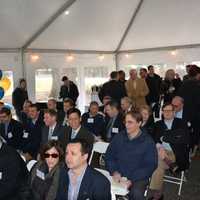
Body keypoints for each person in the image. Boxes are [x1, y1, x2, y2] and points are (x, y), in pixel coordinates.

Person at [105, 111, 157, 200]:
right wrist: (114, 171)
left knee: (136, 194)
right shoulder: (119, 137)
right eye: (125, 122)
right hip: (118, 173)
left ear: (139, 123)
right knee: (100, 186)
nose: (126, 125)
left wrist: (131, 179)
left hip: (138, 177)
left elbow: (150, 165)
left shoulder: (148, 141)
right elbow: (109, 156)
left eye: (130, 122)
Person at [149, 103, 189, 200]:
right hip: (160, 152)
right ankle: (169, 163)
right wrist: (159, 146)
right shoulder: (157, 124)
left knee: (157, 163)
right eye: (164, 111)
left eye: (169, 111)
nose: (166, 113)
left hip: (175, 153)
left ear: (174, 112)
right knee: (158, 161)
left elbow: (184, 138)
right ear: (162, 112)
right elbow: (152, 138)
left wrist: (164, 137)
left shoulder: (181, 123)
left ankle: (157, 194)